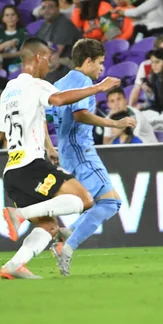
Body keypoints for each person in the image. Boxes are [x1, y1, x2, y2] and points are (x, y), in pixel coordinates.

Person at [50, 38, 137, 276]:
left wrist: (50, 146)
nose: (101, 68)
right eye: (99, 63)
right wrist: (115, 123)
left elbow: (44, 115)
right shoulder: (85, 83)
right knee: (111, 203)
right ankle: (66, 247)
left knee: (105, 202)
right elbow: (80, 115)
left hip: (67, 154)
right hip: (82, 152)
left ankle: (67, 235)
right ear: (87, 61)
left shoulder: (59, 83)